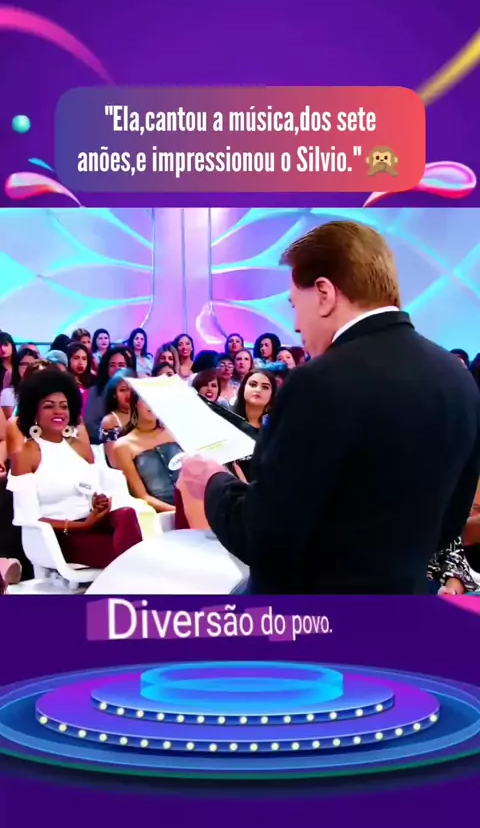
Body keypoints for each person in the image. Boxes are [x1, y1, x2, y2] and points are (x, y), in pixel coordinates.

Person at [178, 220, 480, 594]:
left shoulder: (318, 382)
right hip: (405, 602)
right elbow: (450, 522)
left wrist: (212, 481)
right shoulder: (458, 379)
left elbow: (262, 538)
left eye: (294, 304)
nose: (295, 325)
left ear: (324, 293)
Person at [7, 368, 142, 569]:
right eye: (49, 406)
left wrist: (99, 503)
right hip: (59, 535)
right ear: (34, 411)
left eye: (64, 406)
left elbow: (93, 492)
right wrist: (82, 525)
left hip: (93, 524)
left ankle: (132, 572)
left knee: (127, 514)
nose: (58, 412)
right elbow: (28, 518)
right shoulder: (27, 454)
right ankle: (135, 572)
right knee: (128, 555)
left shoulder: (79, 447)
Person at [113, 395, 181, 513]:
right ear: (135, 404)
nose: (152, 404)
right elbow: (141, 496)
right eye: (146, 400)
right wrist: (178, 512)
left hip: (195, 504)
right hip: (160, 514)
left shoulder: (176, 432)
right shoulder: (123, 446)